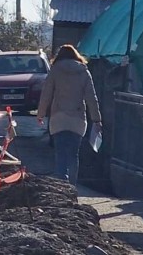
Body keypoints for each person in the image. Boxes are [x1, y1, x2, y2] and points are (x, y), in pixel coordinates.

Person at [37, 45, 102, 186]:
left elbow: (46, 94)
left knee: (60, 154)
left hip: (58, 117)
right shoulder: (84, 71)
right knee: (73, 155)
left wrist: (40, 114)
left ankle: (62, 187)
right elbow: (92, 97)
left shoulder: (55, 70)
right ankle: (72, 187)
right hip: (78, 119)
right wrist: (97, 119)